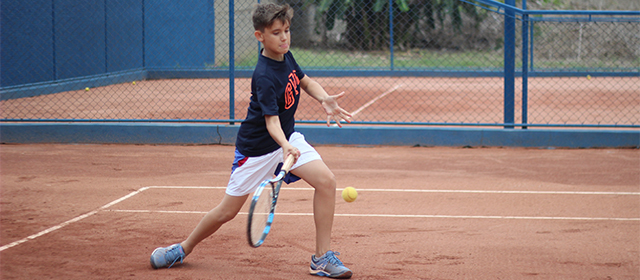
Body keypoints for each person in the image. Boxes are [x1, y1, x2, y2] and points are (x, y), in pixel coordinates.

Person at [149, 3, 353, 279]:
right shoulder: (265, 75)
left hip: (287, 139)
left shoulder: (287, 57)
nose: (284, 38)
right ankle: (183, 248)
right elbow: (271, 122)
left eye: (287, 31)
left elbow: (305, 82)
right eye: (277, 33)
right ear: (260, 36)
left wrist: (324, 98)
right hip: (257, 150)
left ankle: (321, 258)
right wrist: (284, 146)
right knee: (226, 212)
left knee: (326, 181)